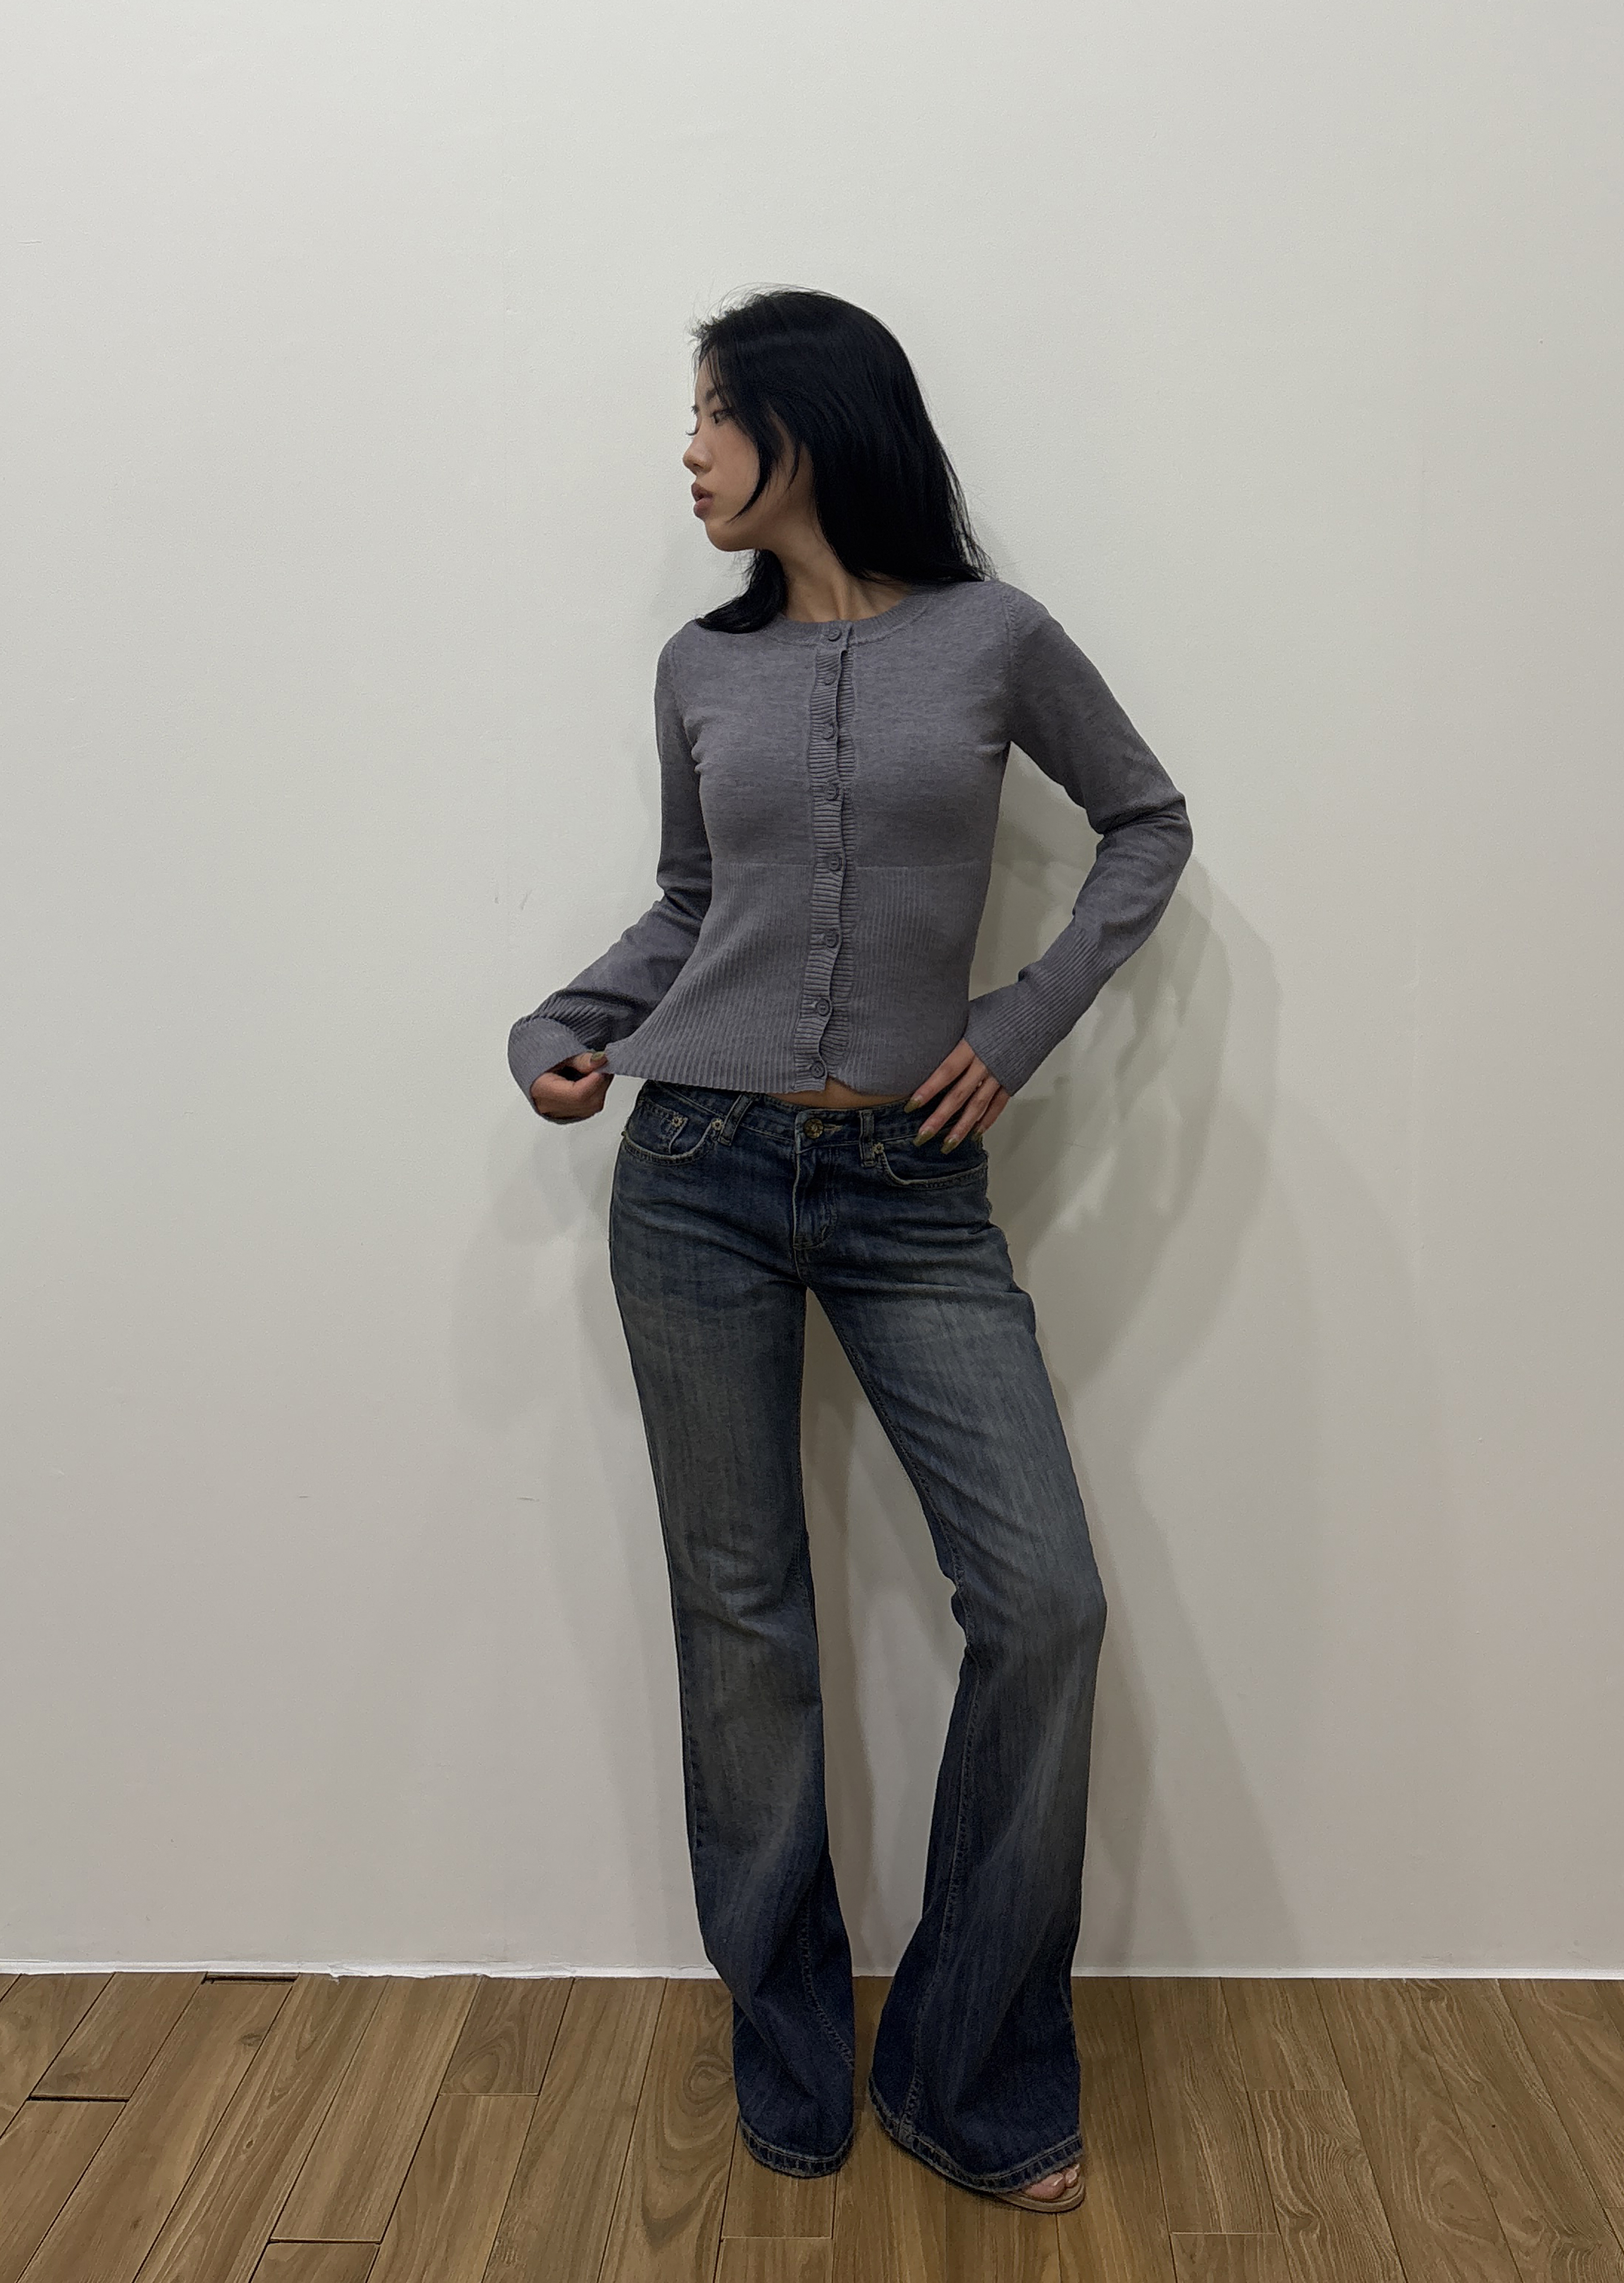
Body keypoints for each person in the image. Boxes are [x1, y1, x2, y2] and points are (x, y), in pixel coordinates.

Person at [507, 288, 1192, 2213]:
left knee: (1045, 1602)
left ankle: (968, 2072)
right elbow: (691, 906)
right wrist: (564, 1024)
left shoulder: (995, 640)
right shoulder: (698, 670)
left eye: (712, 413)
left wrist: (1019, 1026)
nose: (689, 452)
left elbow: (1145, 823)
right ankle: (793, 2043)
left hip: (913, 1189)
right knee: (746, 1632)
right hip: (695, 1172)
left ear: (806, 425)